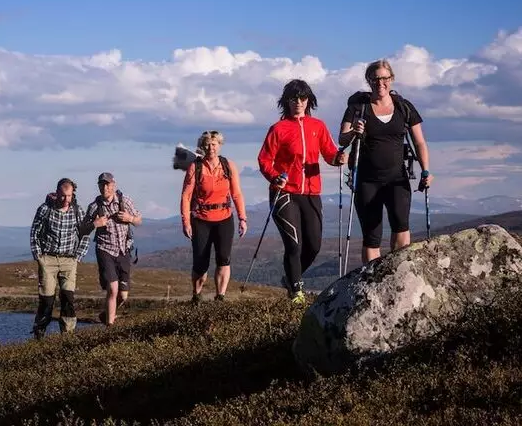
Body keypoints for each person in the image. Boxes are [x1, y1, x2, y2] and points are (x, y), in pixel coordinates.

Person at [257, 79, 348, 304]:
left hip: (311, 192)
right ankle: (296, 292)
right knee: (293, 244)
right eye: (293, 98)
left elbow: (329, 153)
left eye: (303, 98)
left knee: (314, 246)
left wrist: (338, 158)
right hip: (285, 191)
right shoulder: (278, 129)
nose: (298, 102)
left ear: (309, 101)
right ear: (286, 101)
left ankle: (290, 278)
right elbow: (264, 159)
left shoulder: (318, 126)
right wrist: (274, 176)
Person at [339, 59, 433, 264]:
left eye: (385, 78)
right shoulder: (358, 108)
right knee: (372, 237)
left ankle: (397, 273)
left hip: (397, 179)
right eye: (375, 79)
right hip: (366, 180)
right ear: (368, 80)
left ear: (392, 79)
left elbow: (420, 143)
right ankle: (372, 281)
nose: (380, 83)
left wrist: (426, 171)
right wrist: (354, 131)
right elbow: (342, 139)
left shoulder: (404, 107)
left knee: (401, 226)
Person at [180, 130, 248, 303]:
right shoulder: (195, 167)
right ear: (203, 146)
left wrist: (242, 218)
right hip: (201, 220)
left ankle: (220, 297)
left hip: (224, 218)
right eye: (207, 144)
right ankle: (196, 296)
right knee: (200, 264)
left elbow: (237, 193)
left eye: (214, 144)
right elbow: (186, 196)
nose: (211, 147)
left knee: (224, 260)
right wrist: (186, 221)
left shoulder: (228, 166)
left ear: (219, 145)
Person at [29, 177, 92, 340]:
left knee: (68, 298)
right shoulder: (44, 209)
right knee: (47, 300)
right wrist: (38, 255)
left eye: (69, 196)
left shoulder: (78, 211)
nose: (66, 199)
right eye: (63, 195)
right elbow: (34, 232)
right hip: (48, 260)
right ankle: (39, 333)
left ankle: (68, 336)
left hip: (69, 260)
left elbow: (85, 234)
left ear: (73, 195)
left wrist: (79, 256)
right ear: (57, 193)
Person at [83, 172, 142, 326]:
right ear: (98, 186)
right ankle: (110, 327)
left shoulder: (125, 201)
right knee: (112, 289)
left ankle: (105, 315)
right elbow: (83, 229)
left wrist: (130, 219)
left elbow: (138, 220)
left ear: (113, 185)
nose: (105, 187)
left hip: (124, 250)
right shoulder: (94, 207)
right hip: (105, 250)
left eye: (107, 184)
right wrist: (96, 224)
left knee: (123, 296)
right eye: (102, 184)